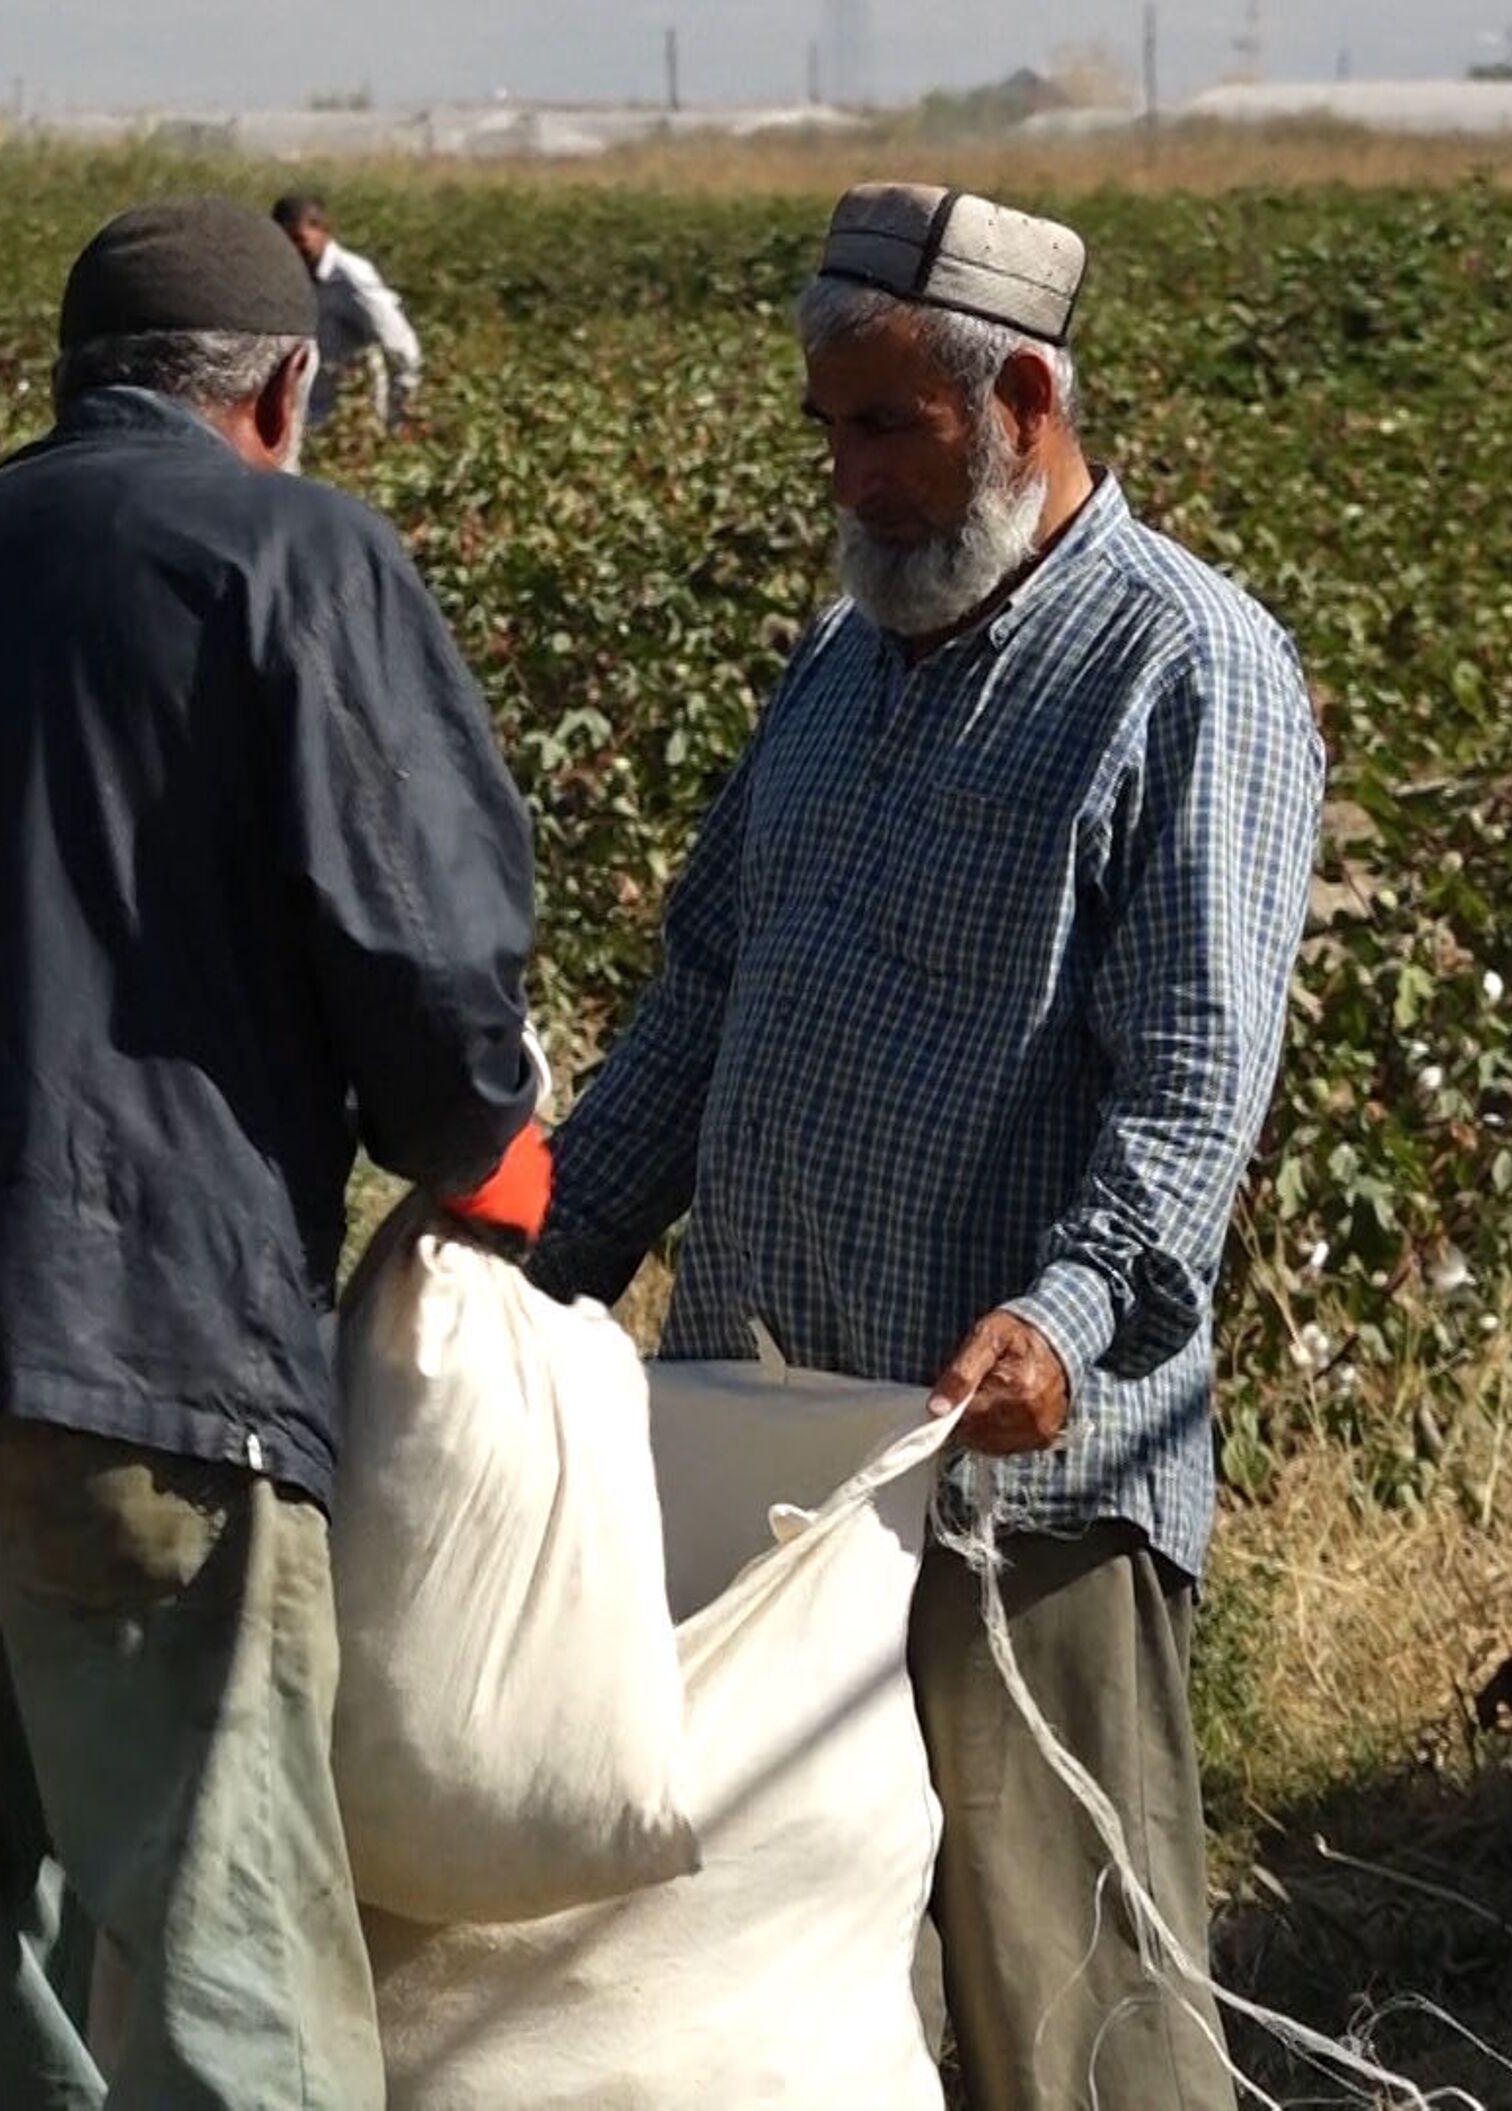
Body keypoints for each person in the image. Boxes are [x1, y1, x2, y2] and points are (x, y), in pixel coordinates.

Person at [531, 182, 1324, 2111]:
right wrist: (528, 1251)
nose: (854, 477)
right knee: (809, 1998)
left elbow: (1196, 1077)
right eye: (832, 430)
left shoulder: (1186, 669)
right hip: (772, 1469)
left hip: (1009, 1489)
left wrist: (1064, 1315)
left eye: (891, 426)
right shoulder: (838, 665)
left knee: (1078, 2001)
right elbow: (704, 996)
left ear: (1026, 399)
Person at [0, 195, 551, 2111]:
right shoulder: (294, 553)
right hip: (148, 1350)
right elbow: (426, 943)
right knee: (229, 1964)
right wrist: (481, 1137)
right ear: (288, 385)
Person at [271, 193, 423, 430]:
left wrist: (400, 417)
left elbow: (400, 348)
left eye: (299, 239)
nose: (293, 249)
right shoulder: (289, 275)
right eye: (284, 242)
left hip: (352, 423)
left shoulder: (351, 278)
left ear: (323, 231)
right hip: (307, 420)